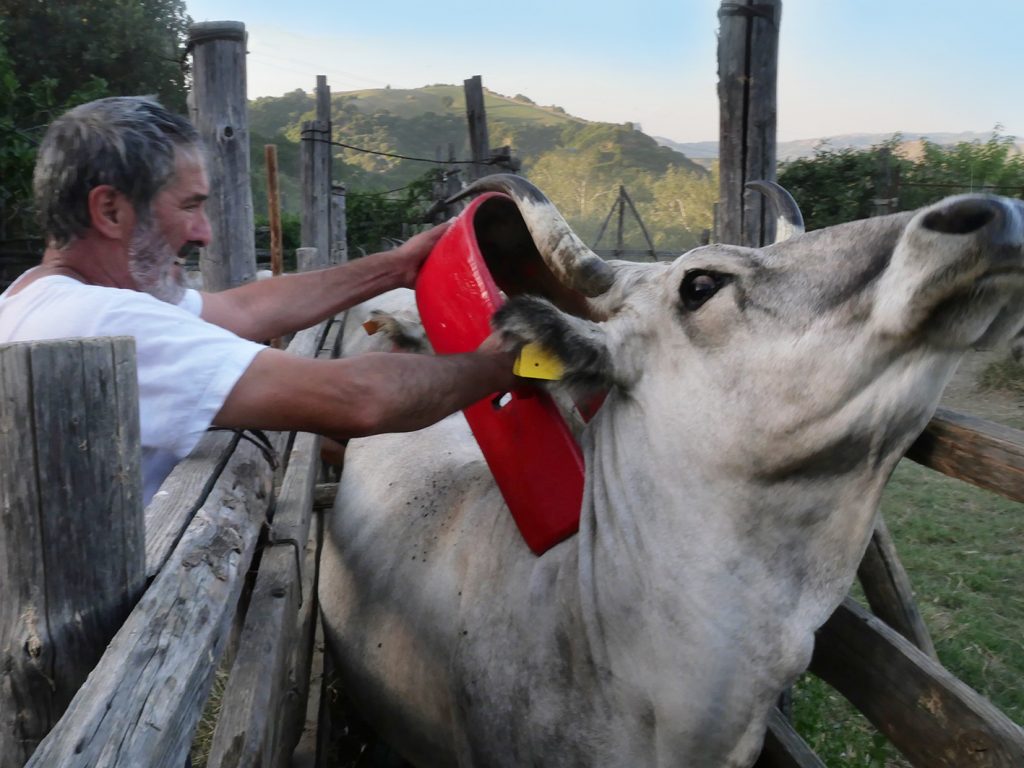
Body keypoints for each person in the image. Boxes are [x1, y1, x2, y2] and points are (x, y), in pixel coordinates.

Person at [0, 96, 517, 504]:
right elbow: (359, 399)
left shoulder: (40, 298)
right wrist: (499, 363)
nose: (203, 233)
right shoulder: (99, 321)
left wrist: (398, 266)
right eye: (190, 206)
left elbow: (245, 310)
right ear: (111, 211)